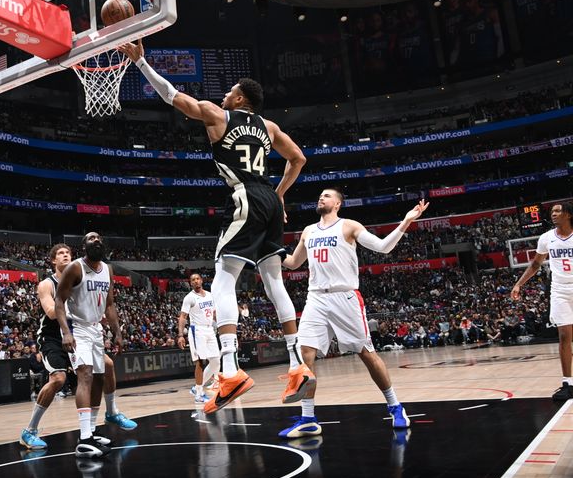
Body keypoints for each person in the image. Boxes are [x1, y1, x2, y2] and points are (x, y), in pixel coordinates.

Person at [119, 41, 309, 415]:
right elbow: (298, 158)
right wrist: (281, 194)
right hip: (268, 199)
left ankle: (230, 370)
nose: (224, 95)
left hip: (244, 197)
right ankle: (298, 365)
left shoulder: (219, 117)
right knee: (274, 282)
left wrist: (141, 62)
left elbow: (172, 96)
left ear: (240, 99)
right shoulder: (269, 127)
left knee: (224, 279)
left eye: (229, 91)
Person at [279, 189, 428, 438]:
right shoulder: (308, 230)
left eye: (326, 196)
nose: (321, 198)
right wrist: (271, 251)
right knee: (305, 355)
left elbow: (382, 247)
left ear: (337, 203)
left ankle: (395, 406)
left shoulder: (349, 226)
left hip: (344, 296)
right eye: (320, 196)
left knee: (367, 353)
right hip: (315, 297)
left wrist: (407, 220)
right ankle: (308, 419)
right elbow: (294, 263)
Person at [20, 243, 135, 451]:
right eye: (60, 254)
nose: (65, 256)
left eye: (68, 253)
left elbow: (102, 302)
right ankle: (30, 430)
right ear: (53, 260)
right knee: (58, 379)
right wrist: (76, 304)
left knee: (106, 366)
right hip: (53, 337)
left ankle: (105, 417)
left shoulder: (81, 276)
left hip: (77, 334)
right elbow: (52, 311)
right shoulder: (47, 284)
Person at [56, 233, 123, 459]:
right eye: (90, 238)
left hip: (96, 329)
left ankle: (92, 431)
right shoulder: (75, 268)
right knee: (84, 375)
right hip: (78, 327)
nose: (96, 240)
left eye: (99, 238)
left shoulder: (108, 269)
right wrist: (66, 332)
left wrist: (117, 331)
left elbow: (110, 304)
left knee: (99, 379)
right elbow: (59, 301)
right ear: (83, 246)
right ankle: (84, 438)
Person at [512, 202, 573, 400]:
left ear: (568, 214)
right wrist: (518, 284)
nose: (554, 214)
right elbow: (536, 264)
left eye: (558, 211)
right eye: (552, 212)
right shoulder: (546, 238)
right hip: (559, 291)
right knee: (564, 336)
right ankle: (568, 383)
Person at [177, 273, 220, 403]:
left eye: (197, 279)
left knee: (216, 361)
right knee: (200, 362)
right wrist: (180, 335)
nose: (195, 281)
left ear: (201, 280)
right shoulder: (189, 298)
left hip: (210, 329)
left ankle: (196, 388)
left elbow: (213, 314)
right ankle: (199, 394)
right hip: (197, 330)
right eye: (193, 280)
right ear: (190, 283)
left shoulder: (210, 295)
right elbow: (183, 317)